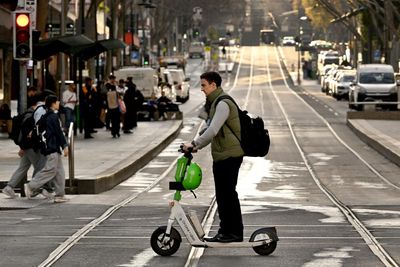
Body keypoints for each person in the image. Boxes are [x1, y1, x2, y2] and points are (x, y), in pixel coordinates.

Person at [183, 71, 244, 243]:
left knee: (227, 194)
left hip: (229, 155)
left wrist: (195, 144)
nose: (201, 89)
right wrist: (195, 144)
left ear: (213, 85)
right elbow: (208, 130)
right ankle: (228, 231)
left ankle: (232, 232)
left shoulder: (223, 103)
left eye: (203, 85)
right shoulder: (215, 103)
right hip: (223, 155)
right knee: (224, 194)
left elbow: (213, 130)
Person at [1, 94, 51, 199]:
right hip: (30, 147)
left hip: (26, 147)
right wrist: (23, 147)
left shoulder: (28, 114)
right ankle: (33, 188)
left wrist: (22, 147)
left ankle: (9, 187)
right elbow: (26, 134)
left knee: (23, 167)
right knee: (40, 166)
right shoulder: (31, 116)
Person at [24, 95, 69, 203]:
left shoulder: (46, 115)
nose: (58, 103)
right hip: (52, 147)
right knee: (49, 170)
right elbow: (58, 133)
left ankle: (60, 194)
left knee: (59, 172)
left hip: (50, 147)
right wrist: (65, 146)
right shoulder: (52, 116)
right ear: (53, 103)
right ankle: (31, 186)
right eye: (57, 101)